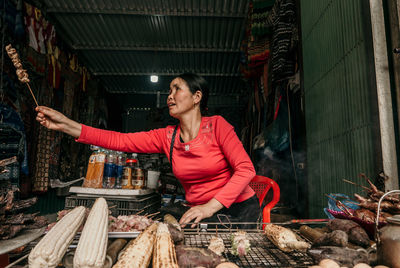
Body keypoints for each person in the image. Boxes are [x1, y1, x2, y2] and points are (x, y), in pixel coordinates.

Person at [36, 73, 260, 228]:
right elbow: (118, 140)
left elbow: (245, 169)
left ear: (197, 97)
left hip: (237, 210)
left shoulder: (217, 126)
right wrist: (65, 124)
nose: (169, 96)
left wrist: (209, 207)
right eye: (169, 90)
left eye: (177, 89)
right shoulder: (167, 137)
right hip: (199, 213)